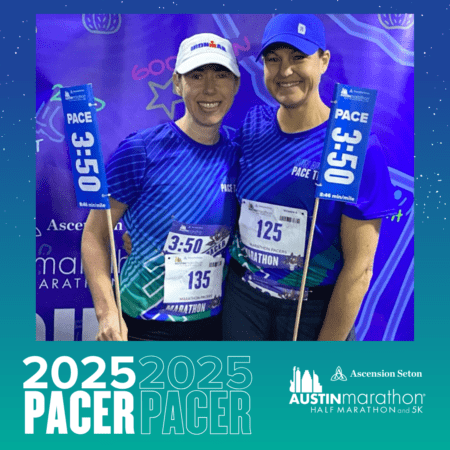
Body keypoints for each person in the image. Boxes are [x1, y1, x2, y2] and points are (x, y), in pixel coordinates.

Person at [222, 14, 397, 341]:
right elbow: (215, 187)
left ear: (323, 61)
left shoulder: (354, 147)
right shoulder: (253, 124)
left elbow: (360, 269)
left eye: (298, 57)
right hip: (244, 299)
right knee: (249, 392)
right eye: (273, 59)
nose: (284, 71)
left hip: (313, 310)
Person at [81, 33, 240, 341]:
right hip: (143, 327)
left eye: (221, 75)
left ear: (235, 85)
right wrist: (107, 313)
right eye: (196, 75)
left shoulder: (240, 151)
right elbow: (94, 234)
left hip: (216, 326)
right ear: (177, 83)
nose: (209, 88)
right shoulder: (141, 150)